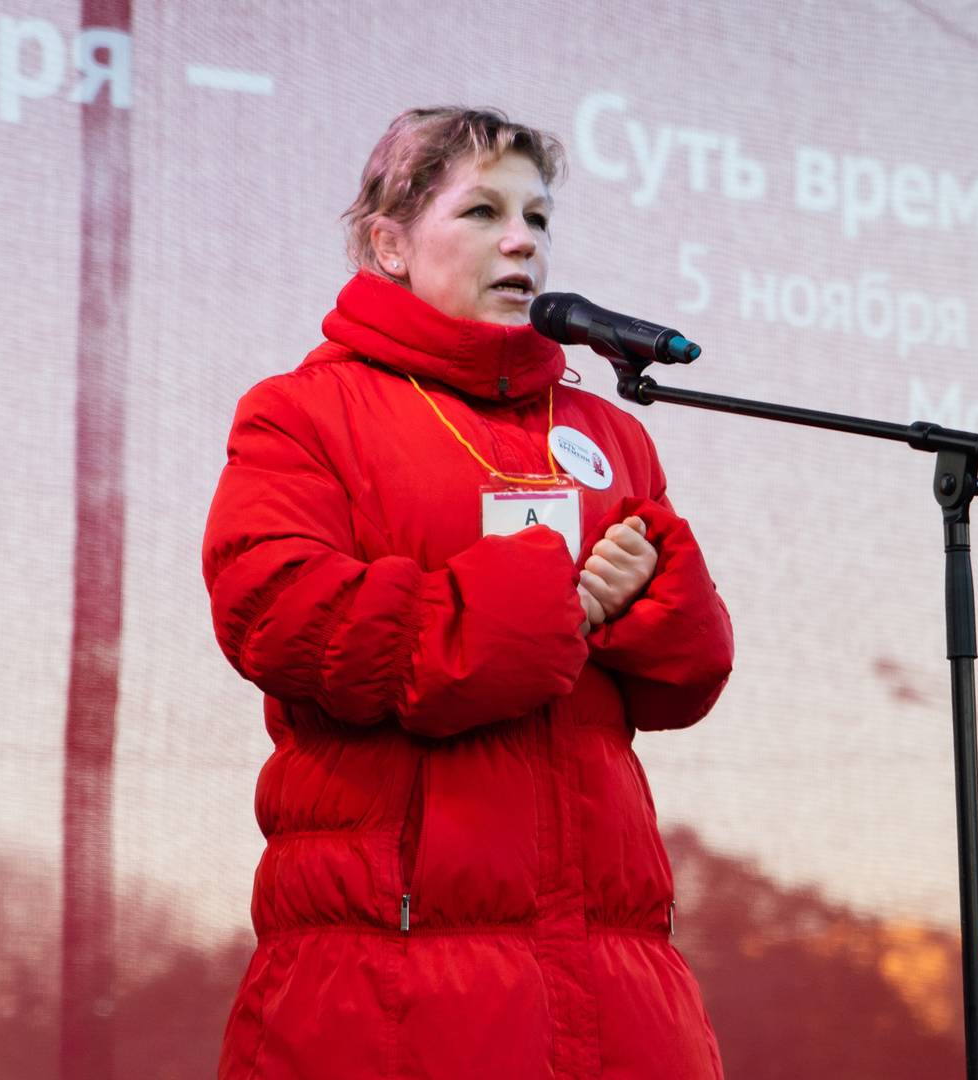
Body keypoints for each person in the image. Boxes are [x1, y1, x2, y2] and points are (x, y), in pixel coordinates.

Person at [202, 107, 734, 1079]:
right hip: (392, 988)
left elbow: (682, 678)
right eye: (483, 211)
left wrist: (652, 599)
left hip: (617, 989)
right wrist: (550, 608)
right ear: (388, 241)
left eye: (537, 215)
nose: (522, 238)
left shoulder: (609, 435)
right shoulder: (303, 413)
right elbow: (274, 612)